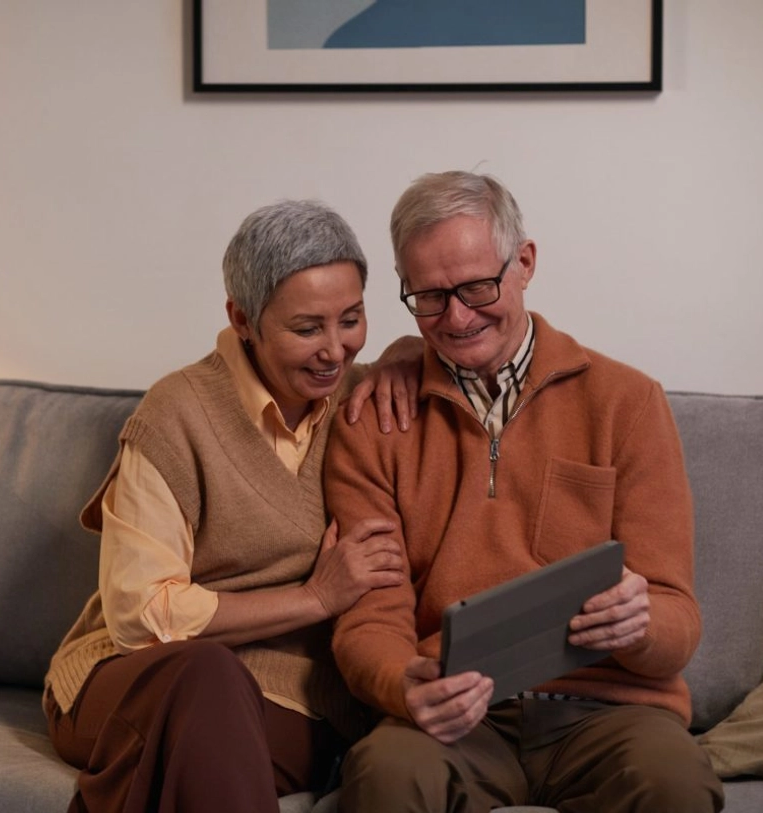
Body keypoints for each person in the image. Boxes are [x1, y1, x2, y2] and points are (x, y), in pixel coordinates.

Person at [325, 170, 725, 812]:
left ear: (526, 262)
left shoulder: (627, 402)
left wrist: (641, 625)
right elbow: (370, 614)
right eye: (428, 297)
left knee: (676, 785)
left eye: (478, 286)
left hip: (606, 713)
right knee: (385, 775)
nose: (456, 317)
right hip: (458, 718)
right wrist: (405, 684)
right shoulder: (375, 419)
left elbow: (677, 616)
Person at [43, 200, 417, 813]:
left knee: (201, 732)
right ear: (242, 318)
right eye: (306, 329)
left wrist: (410, 352)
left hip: (292, 702)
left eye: (351, 319)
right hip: (133, 681)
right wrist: (315, 599)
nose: (334, 350)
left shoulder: (368, 401)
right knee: (207, 674)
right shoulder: (176, 414)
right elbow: (141, 614)